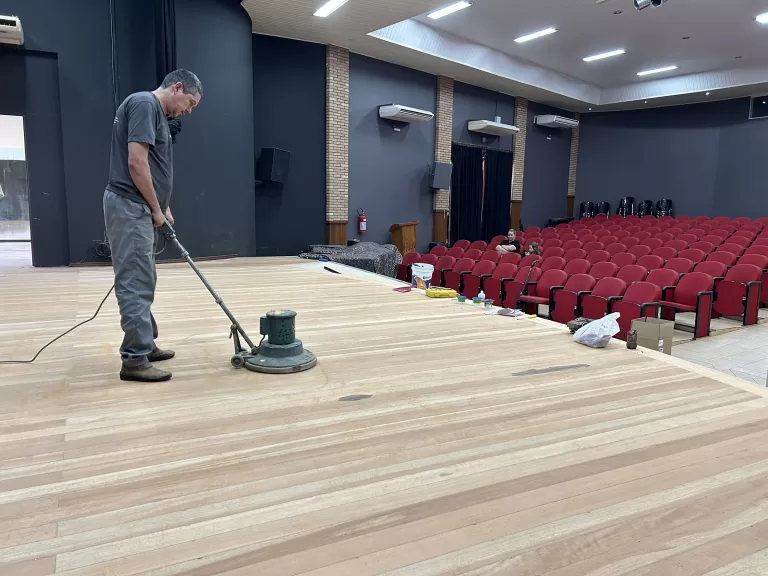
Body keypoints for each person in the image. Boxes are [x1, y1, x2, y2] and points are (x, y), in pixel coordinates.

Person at [103, 69, 203, 382]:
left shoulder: (154, 112)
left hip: (139, 206)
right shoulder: (145, 104)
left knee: (144, 277)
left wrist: (164, 204)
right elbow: (136, 162)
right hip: (130, 206)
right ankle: (134, 360)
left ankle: (144, 345)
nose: (188, 110)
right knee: (135, 280)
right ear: (176, 87)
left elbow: (153, 165)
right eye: (189, 102)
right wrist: (156, 208)